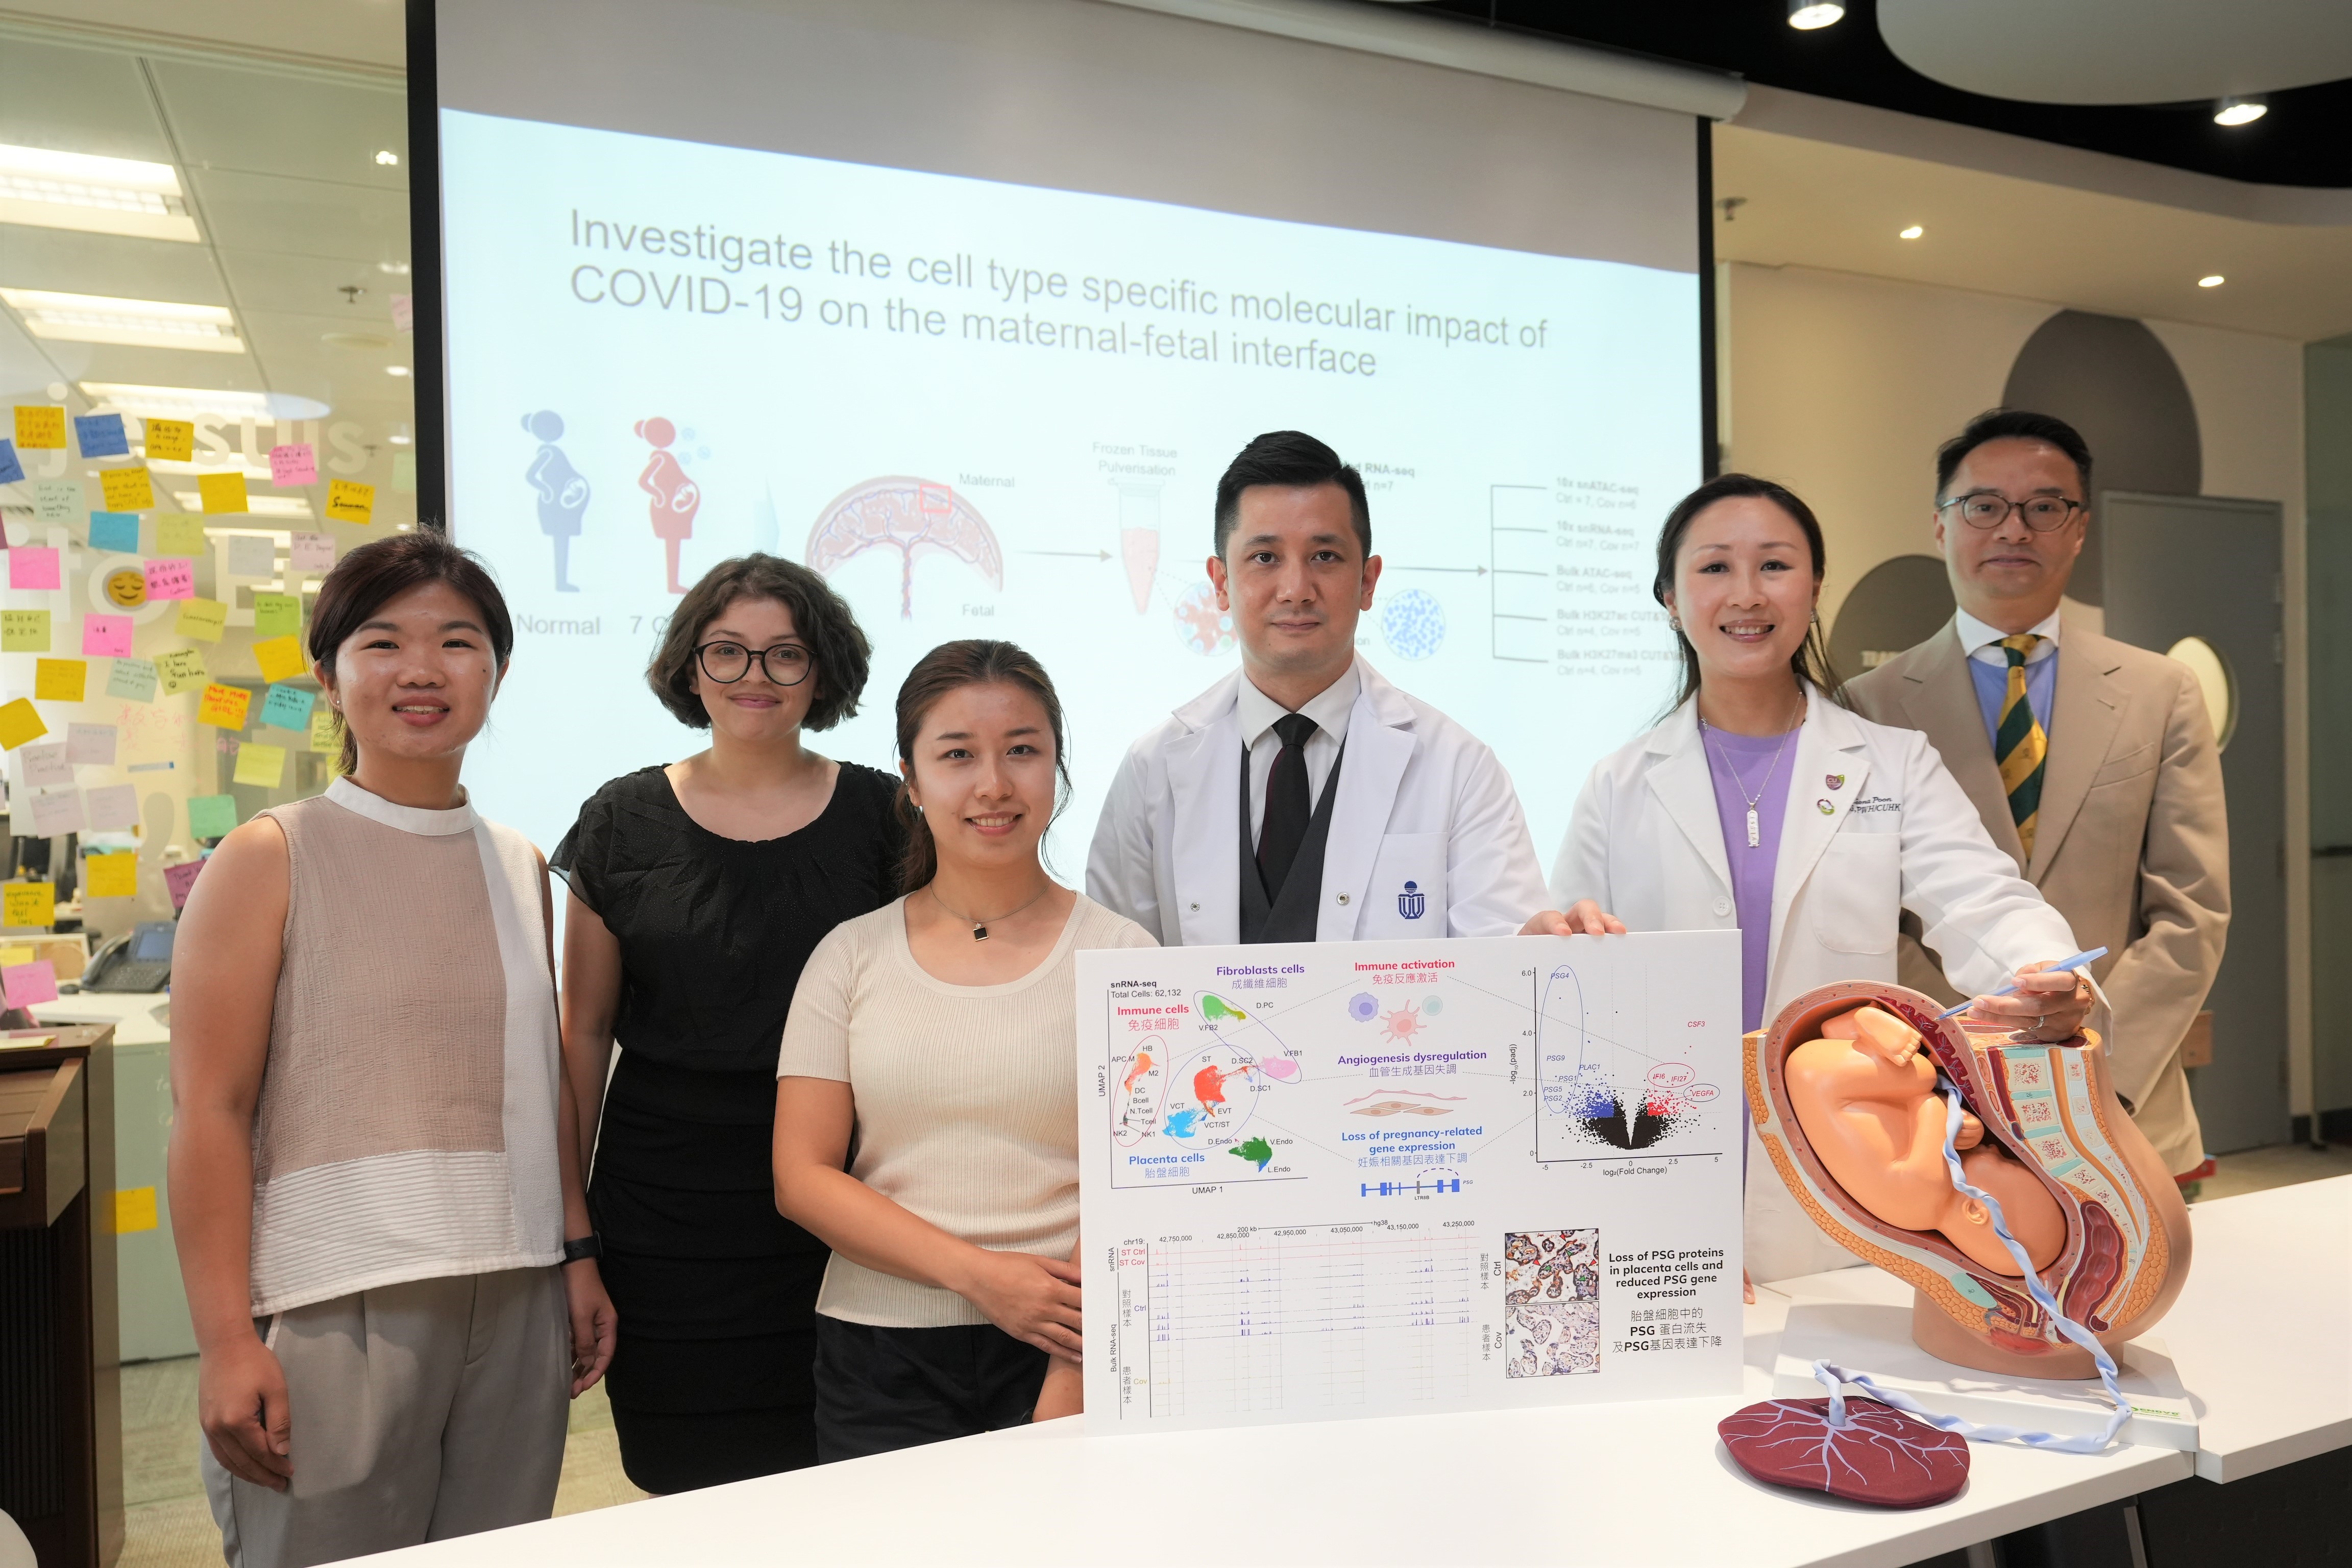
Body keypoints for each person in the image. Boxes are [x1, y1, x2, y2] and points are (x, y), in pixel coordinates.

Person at [169, 532, 614, 1567]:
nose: (422, 670)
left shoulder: (518, 861)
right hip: (336, 1297)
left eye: (458, 642)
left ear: (496, 672)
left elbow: (530, 1079)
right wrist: (228, 1338)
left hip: (515, 1292)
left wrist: (577, 1252)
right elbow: (209, 1112)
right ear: (329, 676)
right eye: (384, 642)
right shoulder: (272, 853)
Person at [1550, 474, 2087, 1285]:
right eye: (1714, 569)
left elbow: (1980, 898)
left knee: (1840, 1388)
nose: (1746, 595)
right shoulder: (1620, 784)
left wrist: (2044, 971)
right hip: (1662, 1170)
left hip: (1852, 1164)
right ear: (1669, 597)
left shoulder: (1892, 763)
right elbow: (1568, 989)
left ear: (1814, 589)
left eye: (1774, 566)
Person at [553, 554, 901, 1491]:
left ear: (822, 671)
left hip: (841, 1210)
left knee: (843, 1491)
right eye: (729, 652)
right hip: (662, 1220)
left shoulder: (885, 814)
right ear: (689, 666)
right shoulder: (620, 821)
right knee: (684, 1488)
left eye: (786, 654)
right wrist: (572, 1232)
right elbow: (581, 1036)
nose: (756, 676)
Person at [774, 640, 1155, 1461]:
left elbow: (1142, 1183)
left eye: (1023, 750)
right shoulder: (849, 955)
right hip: (879, 1357)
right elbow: (801, 1178)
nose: (994, 784)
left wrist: (1070, 1380)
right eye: (957, 755)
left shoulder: (1126, 958)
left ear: (1057, 766)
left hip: (1069, 1350)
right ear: (910, 782)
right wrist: (982, 1276)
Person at [1845, 410, 2227, 1181]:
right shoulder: (1864, 707)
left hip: (2129, 1108)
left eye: (2045, 507)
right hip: (1945, 1107)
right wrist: (1969, 1063)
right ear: (1941, 525)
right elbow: (1867, 919)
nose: (2014, 529)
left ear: (2079, 529)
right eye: (1984, 506)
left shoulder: (2162, 691)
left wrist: (2096, 1073)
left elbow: (2192, 909)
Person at [1088, 430, 1589, 945]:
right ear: (1220, 583)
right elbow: (1116, 978)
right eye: (1265, 558)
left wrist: (1535, 950)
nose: (1296, 590)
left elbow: (1500, 952)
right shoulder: (1152, 771)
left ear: (1368, 581)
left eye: (1324, 556)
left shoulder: (1460, 769)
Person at [522, 410, 588, 593]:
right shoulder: (548, 452)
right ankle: (561, 582)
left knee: (563, 542)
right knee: (561, 542)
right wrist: (548, 490)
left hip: (561, 504)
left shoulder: (554, 451)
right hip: (554, 505)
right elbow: (531, 475)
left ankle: (562, 582)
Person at [636, 416, 699, 595]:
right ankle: (672, 584)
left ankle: (673, 583)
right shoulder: (660, 458)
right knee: (672, 544)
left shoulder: (667, 457)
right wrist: (660, 495)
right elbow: (643, 481)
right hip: (667, 510)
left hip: (674, 509)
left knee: (675, 544)